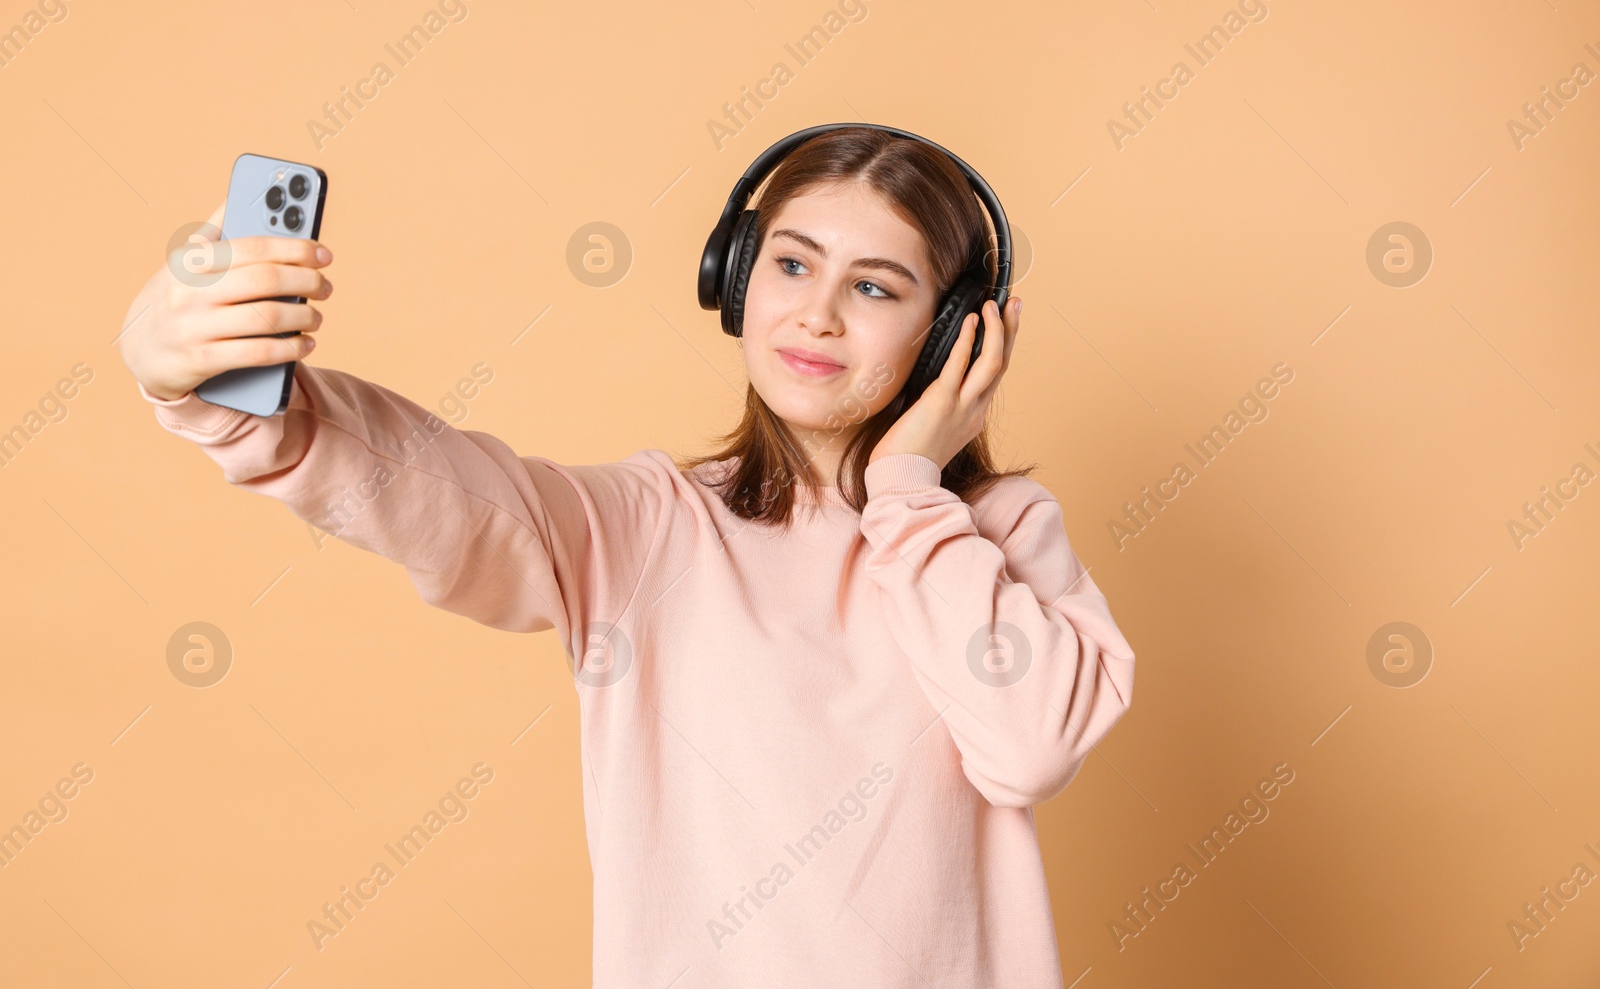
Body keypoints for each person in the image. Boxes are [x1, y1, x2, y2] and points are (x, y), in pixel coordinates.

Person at [119, 126, 1135, 987]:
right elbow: (432, 487)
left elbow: (1031, 746)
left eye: (873, 286)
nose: (817, 311)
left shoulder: (1001, 534)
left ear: (956, 332)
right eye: (790, 263)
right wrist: (221, 401)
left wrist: (911, 489)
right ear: (732, 278)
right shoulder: (647, 526)